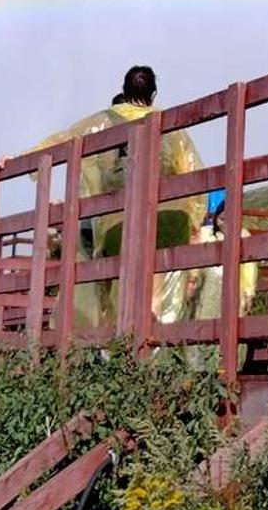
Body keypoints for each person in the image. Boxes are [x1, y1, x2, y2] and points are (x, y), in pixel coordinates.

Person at [27, 65, 207, 329]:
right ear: (153, 94)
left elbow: (60, 141)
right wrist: (195, 219)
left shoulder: (100, 123)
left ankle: (121, 344)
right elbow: (194, 175)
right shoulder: (171, 126)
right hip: (168, 222)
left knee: (119, 292)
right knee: (162, 294)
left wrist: (20, 160)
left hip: (118, 224)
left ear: (123, 90)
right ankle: (161, 342)